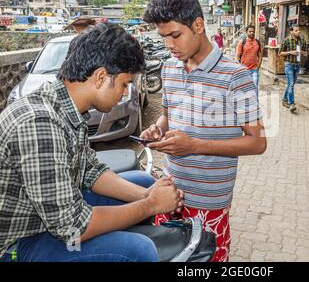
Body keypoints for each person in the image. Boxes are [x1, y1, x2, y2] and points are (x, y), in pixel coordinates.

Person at [0, 24, 183, 262]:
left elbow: (91, 171)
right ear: (100, 77)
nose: (125, 92)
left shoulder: (64, 105)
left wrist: (148, 194)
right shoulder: (40, 123)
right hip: (18, 243)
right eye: (124, 84)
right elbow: (72, 226)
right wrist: (150, 205)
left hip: (48, 217)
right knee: (140, 250)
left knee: (143, 181)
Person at [142, 0, 267, 262]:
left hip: (210, 199)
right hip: (170, 192)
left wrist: (195, 145)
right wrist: (158, 129)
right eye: (164, 37)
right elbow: (167, 114)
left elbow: (257, 143)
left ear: (198, 25)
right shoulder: (169, 67)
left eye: (175, 35)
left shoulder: (236, 77)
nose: (169, 45)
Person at [279, 24, 307, 113]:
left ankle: (284, 99)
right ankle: (291, 104)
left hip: (297, 65)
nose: (298, 32)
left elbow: (306, 53)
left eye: (299, 30)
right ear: (291, 31)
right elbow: (280, 53)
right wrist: (291, 52)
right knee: (291, 85)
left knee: (291, 85)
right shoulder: (286, 40)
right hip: (289, 65)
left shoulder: (302, 40)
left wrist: (301, 52)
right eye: (296, 30)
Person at [236, 25, 262, 89]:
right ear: (246, 32)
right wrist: (240, 68)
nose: (252, 33)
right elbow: (237, 56)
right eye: (250, 31)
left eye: (253, 31)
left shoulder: (258, 42)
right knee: (245, 89)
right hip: (244, 70)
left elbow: (260, 56)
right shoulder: (242, 42)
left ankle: (255, 99)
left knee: (255, 87)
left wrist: (257, 67)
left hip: (254, 70)